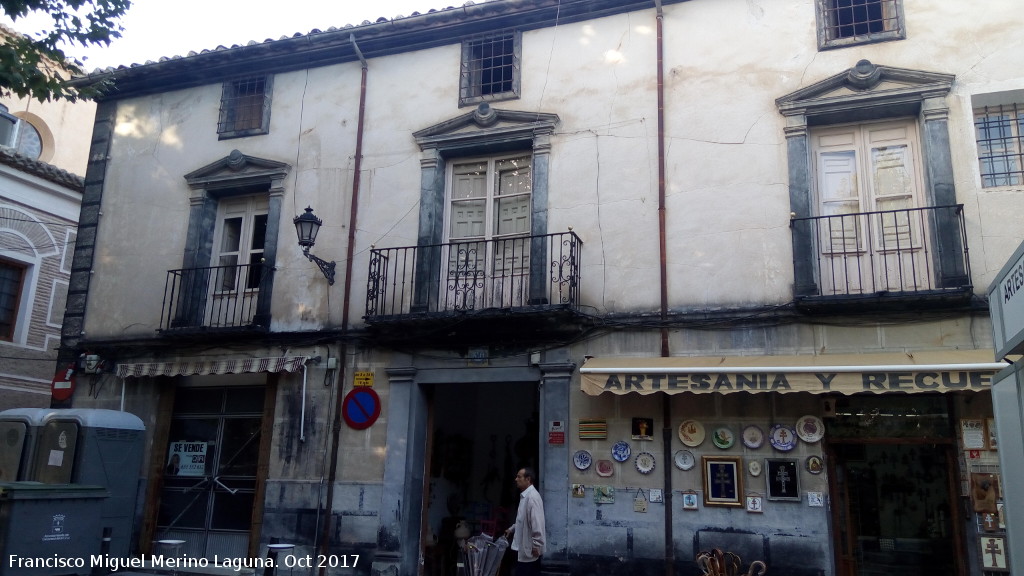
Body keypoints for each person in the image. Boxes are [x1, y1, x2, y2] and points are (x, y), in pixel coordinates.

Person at [504, 467, 545, 576]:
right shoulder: (525, 496)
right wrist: (511, 529)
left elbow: (537, 522)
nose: (516, 479)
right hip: (523, 549)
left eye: (519, 477)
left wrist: (537, 545)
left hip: (529, 550)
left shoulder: (532, 497)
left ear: (528, 479)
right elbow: (522, 520)